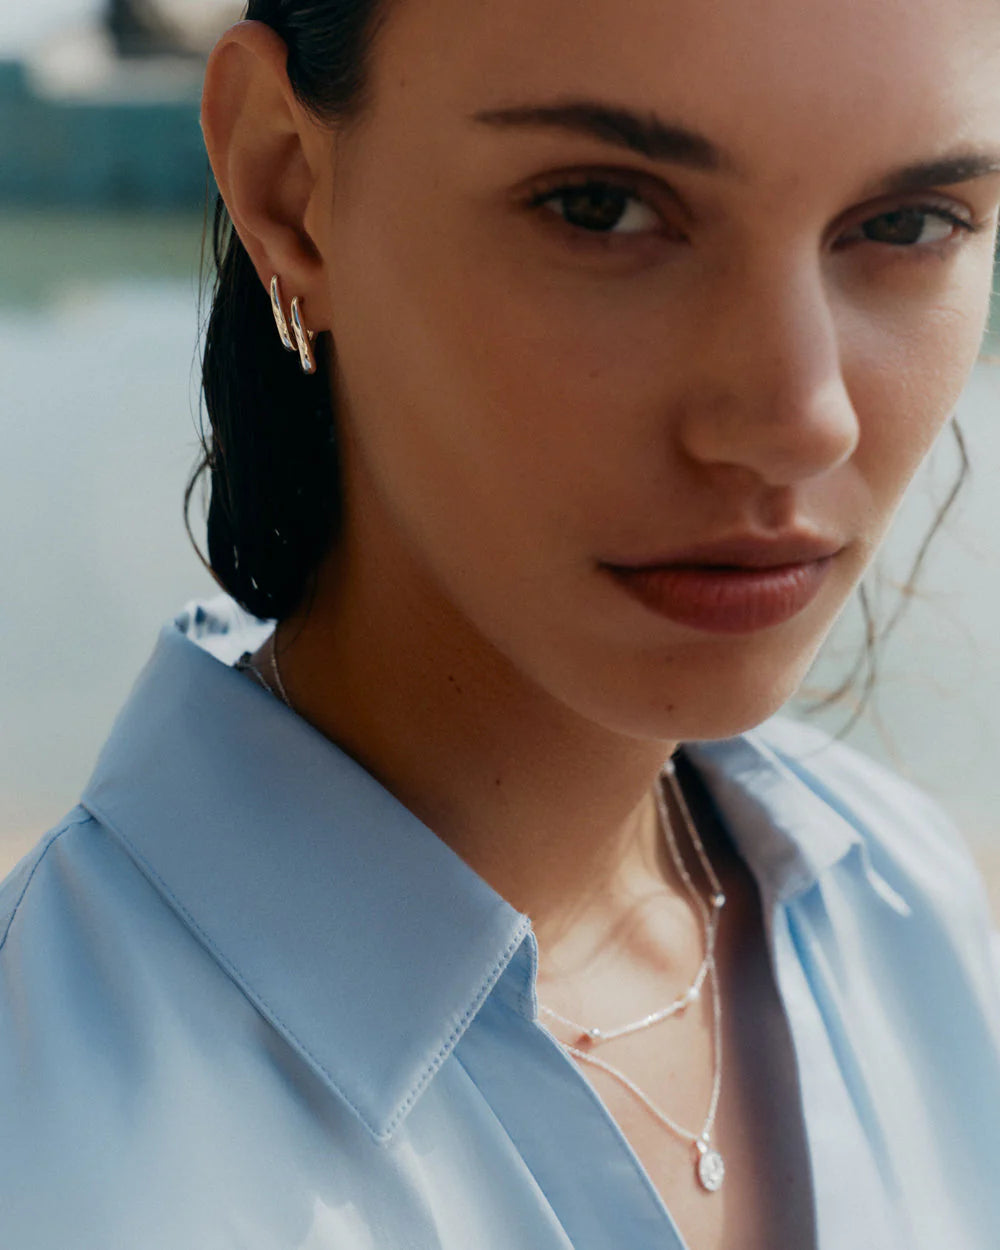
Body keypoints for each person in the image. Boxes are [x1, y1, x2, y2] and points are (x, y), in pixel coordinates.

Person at [2, 0, 1000, 1246]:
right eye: (602, 206)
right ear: (286, 182)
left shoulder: (909, 911)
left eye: (908, 223)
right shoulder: (47, 1145)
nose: (800, 419)